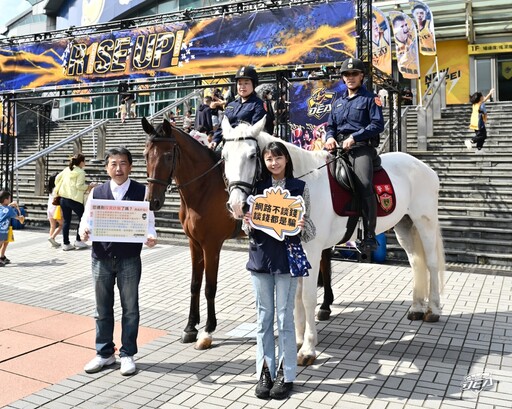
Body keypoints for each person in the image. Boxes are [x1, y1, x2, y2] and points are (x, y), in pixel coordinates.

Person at [242, 141, 315, 400]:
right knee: (263, 319)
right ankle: (265, 371)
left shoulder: (299, 188)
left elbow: (310, 232)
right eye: (269, 159)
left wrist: (303, 224)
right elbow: (247, 228)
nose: (274, 163)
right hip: (260, 258)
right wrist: (247, 222)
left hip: (287, 259)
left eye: (278, 158)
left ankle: (286, 374)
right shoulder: (257, 189)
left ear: (286, 160)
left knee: (285, 318)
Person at [79, 147, 157, 376]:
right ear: (107, 167)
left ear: (131, 166)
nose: (118, 168)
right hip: (101, 257)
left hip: (129, 258)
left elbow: (149, 222)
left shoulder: (142, 192)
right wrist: (83, 231)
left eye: (123, 163)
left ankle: (127, 354)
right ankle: (104, 353)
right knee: (102, 309)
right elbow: (86, 219)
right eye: (113, 164)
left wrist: (151, 236)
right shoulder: (97, 192)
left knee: (130, 309)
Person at [324, 58, 384, 252]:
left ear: (361, 76)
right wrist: (330, 137)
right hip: (337, 148)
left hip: (361, 148)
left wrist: (355, 137)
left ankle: (369, 235)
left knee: (364, 183)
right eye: (347, 75)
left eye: (354, 74)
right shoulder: (338, 102)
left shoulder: (370, 99)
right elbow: (330, 126)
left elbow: (377, 125)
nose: (350, 78)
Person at [209, 66, 266, 150]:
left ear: (253, 85)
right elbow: (223, 126)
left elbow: (255, 129)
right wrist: (215, 140)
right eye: (240, 83)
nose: (242, 87)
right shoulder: (231, 104)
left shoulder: (258, 104)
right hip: (228, 145)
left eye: (246, 83)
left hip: (247, 146)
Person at [54, 153, 94, 251]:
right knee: (83, 218)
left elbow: (57, 178)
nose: (85, 163)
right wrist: (90, 186)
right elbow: (79, 186)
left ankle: (66, 243)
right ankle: (78, 240)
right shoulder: (81, 172)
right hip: (75, 199)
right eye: (84, 161)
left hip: (63, 198)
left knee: (66, 221)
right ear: (81, 162)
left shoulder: (67, 170)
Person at [0, 190, 24, 267]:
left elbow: (5, 209)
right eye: (9, 198)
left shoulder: (2, 207)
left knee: (5, 242)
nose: (10, 199)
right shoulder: (9, 209)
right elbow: (17, 217)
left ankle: (2, 257)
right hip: (3, 230)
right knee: (1, 244)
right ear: (6, 200)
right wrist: (21, 217)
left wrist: (10, 205)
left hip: (4, 229)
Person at [466, 88, 494, 153]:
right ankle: (471, 141)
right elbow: (484, 100)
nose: (483, 97)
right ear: (479, 98)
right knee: (483, 135)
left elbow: (484, 101)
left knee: (481, 135)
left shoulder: (475, 105)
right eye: (481, 96)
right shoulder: (480, 104)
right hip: (479, 122)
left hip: (475, 122)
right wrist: (490, 93)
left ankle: (479, 148)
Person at [47, 172, 63, 248]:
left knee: (52, 226)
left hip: (49, 208)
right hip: (56, 209)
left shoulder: (50, 189)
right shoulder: (57, 189)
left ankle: (52, 240)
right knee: (61, 225)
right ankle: (52, 237)